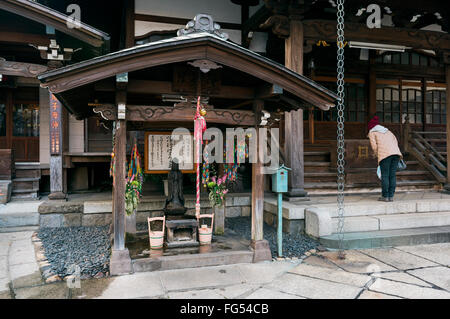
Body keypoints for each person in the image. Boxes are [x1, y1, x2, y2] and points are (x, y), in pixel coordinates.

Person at [368, 116, 402, 202]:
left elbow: (374, 146)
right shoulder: (388, 131)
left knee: (385, 175)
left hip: (385, 155)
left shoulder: (372, 132)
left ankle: (385, 196)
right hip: (396, 154)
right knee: (392, 175)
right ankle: (391, 196)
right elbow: (395, 142)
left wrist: (376, 154)